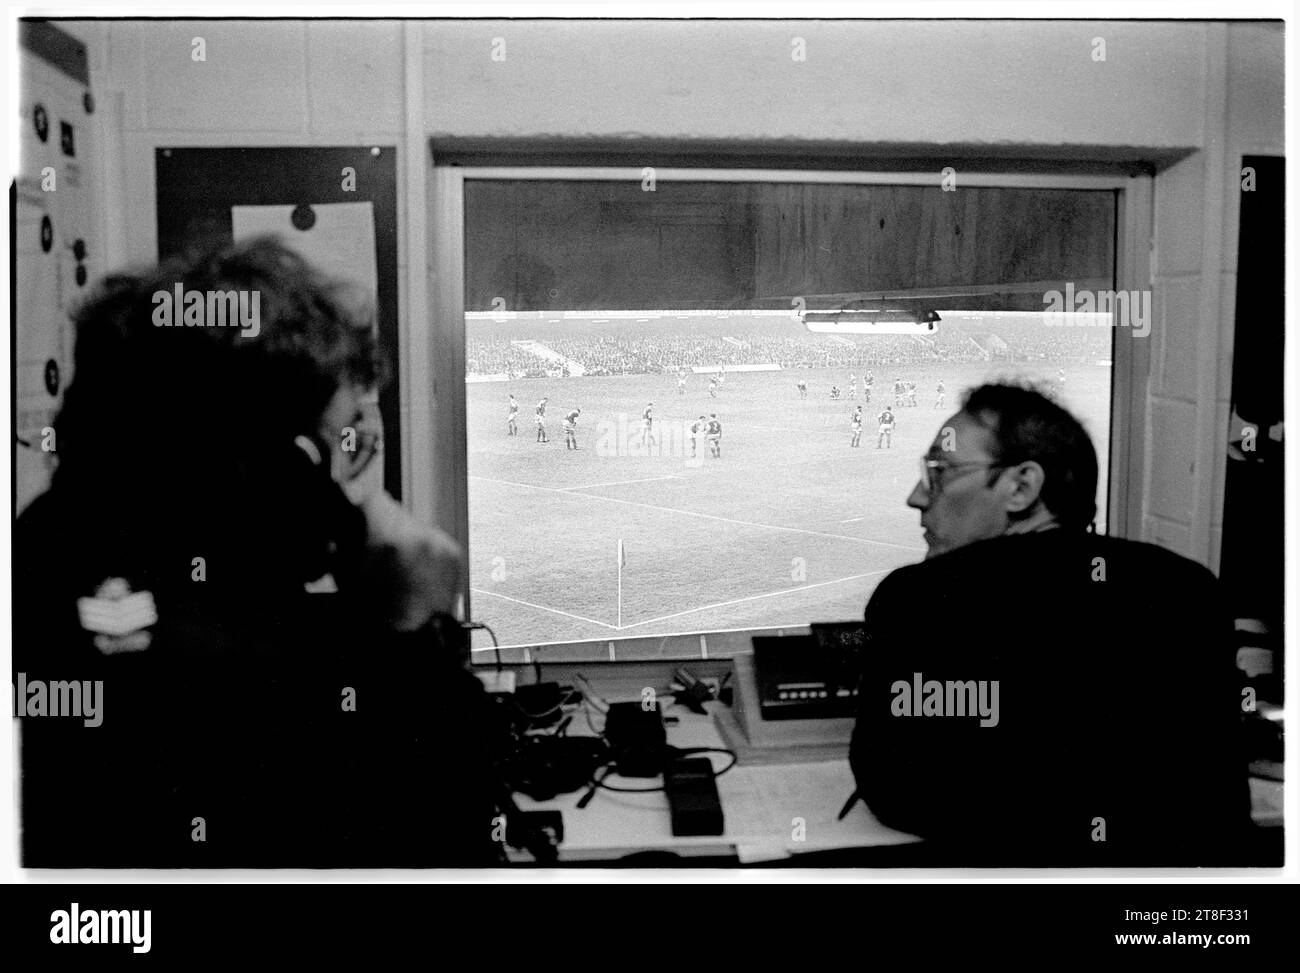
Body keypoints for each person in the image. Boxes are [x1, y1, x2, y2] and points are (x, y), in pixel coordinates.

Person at [13, 237, 502, 867]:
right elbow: (450, 830)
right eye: (332, 448)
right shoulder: (297, 699)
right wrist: (405, 608)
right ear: (279, 466)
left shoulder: (51, 549)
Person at [849, 382, 1252, 866]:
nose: (918, 496)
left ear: (1021, 487)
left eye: (940, 472)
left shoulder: (919, 597)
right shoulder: (1189, 587)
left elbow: (894, 790)